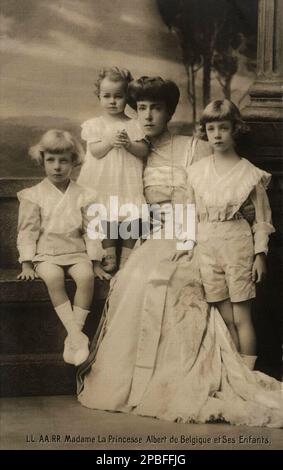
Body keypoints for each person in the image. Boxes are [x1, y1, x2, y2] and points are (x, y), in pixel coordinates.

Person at [77, 78, 283, 427]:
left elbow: (212, 192)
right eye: (141, 108)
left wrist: (190, 238)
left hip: (200, 233)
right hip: (152, 234)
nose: (148, 115)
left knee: (177, 281)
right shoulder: (129, 150)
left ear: (170, 111)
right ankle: (143, 381)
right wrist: (109, 246)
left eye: (156, 108)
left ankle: (206, 373)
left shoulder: (193, 147)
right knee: (139, 278)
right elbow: (114, 197)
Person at [188, 100, 275, 370]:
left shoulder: (249, 174)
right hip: (206, 244)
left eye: (223, 128)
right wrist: (185, 245)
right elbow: (188, 210)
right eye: (211, 128)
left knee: (241, 315)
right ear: (204, 131)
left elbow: (262, 220)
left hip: (237, 244)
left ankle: (247, 377)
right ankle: (234, 373)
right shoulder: (197, 171)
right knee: (224, 314)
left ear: (235, 129)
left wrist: (260, 255)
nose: (216, 134)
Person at [17, 130, 110, 367]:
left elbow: (92, 231)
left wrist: (96, 262)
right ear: (42, 161)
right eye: (51, 160)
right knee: (53, 278)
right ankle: (77, 335)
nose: (57, 167)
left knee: (86, 277)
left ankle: (74, 337)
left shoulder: (84, 195)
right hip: (46, 254)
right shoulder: (34, 195)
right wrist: (27, 263)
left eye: (63, 160)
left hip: (76, 253)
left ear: (74, 163)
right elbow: (27, 231)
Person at [77, 67, 149, 272]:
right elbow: (96, 151)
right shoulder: (95, 125)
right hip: (104, 179)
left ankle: (128, 254)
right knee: (105, 212)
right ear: (98, 96)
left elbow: (143, 150)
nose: (112, 101)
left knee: (132, 213)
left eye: (118, 96)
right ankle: (108, 253)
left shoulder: (135, 124)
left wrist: (129, 145)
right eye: (106, 96)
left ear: (127, 97)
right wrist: (109, 141)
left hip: (127, 179)